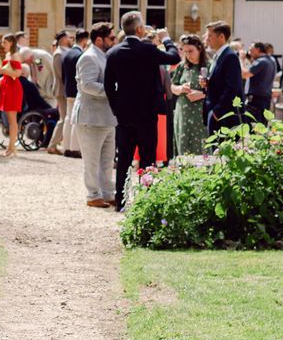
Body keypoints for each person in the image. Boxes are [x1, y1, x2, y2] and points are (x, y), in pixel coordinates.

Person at [104, 11, 177, 210]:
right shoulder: (148, 49)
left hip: (125, 114)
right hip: (147, 113)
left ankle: (120, 201)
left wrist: (116, 108)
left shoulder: (113, 52)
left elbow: (108, 86)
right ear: (139, 29)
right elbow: (174, 57)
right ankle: (146, 201)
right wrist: (167, 39)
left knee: (124, 159)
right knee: (147, 158)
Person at [74, 23, 119, 208]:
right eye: (111, 38)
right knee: (92, 161)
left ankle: (108, 193)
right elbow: (88, 85)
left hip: (107, 116)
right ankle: (92, 195)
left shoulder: (105, 56)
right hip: (90, 117)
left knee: (107, 160)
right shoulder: (89, 57)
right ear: (99, 39)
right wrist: (115, 90)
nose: (114, 41)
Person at [168, 34, 210, 157]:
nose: (188, 55)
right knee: (183, 146)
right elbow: (172, 87)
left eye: (191, 51)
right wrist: (180, 88)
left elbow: (217, 90)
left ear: (200, 49)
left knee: (201, 147)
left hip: (201, 113)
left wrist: (202, 94)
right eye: (185, 51)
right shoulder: (182, 66)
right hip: (183, 113)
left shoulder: (209, 65)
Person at [202, 21, 245, 133]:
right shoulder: (218, 55)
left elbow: (232, 87)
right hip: (215, 112)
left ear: (221, 37)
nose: (207, 39)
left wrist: (217, 112)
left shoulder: (230, 56)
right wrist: (207, 84)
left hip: (224, 116)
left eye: (210, 35)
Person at [50, 30, 82, 156]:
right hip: (61, 89)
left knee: (64, 118)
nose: (71, 39)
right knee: (63, 119)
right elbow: (60, 74)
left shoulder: (64, 52)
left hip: (64, 89)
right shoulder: (58, 54)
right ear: (63, 39)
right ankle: (52, 145)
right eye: (69, 37)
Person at [0, 36, 27, 157]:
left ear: (11, 42)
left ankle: (12, 147)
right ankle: (11, 147)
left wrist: (3, 71)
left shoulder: (15, 55)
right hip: (7, 86)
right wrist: (1, 77)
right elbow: (9, 72)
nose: (3, 44)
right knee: (9, 119)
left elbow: (18, 73)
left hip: (13, 88)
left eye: (5, 42)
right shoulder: (8, 54)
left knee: (12, 119)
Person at [243, 42, 278, 124]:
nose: (249, 52)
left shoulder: (260, 61)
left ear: (257, 49)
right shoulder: (272, 60)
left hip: (256, 100)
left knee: (252, 126)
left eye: (251, 50)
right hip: (266, 98)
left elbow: (245, 74)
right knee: (262, 126)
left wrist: (241, 59)